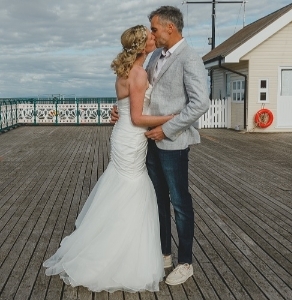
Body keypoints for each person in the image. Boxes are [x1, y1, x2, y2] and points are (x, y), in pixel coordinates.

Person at [43, 25, 175, 293]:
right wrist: (173, 118)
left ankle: (117, 246)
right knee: (132, 190)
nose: (153, 37)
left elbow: (128, 110)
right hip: (131, 137)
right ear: (141, 46)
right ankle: (118, 255)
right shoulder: (137, 74)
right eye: (149, 36)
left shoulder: (127, 72)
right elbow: (138, 118)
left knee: (122, 189)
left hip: (124, 136)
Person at [111, 6, 209, 286]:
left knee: (179, 202)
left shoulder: (190, 58)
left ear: (170, 27)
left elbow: (200, 103)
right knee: (157, 200)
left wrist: (166, 129)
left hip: (172, 142)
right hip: (147, 140)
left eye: (153, 28)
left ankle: (185, 262)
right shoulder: (155, 56)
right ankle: (164, 253)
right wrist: (122, 111)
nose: (150, 33)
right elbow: (139, 95)